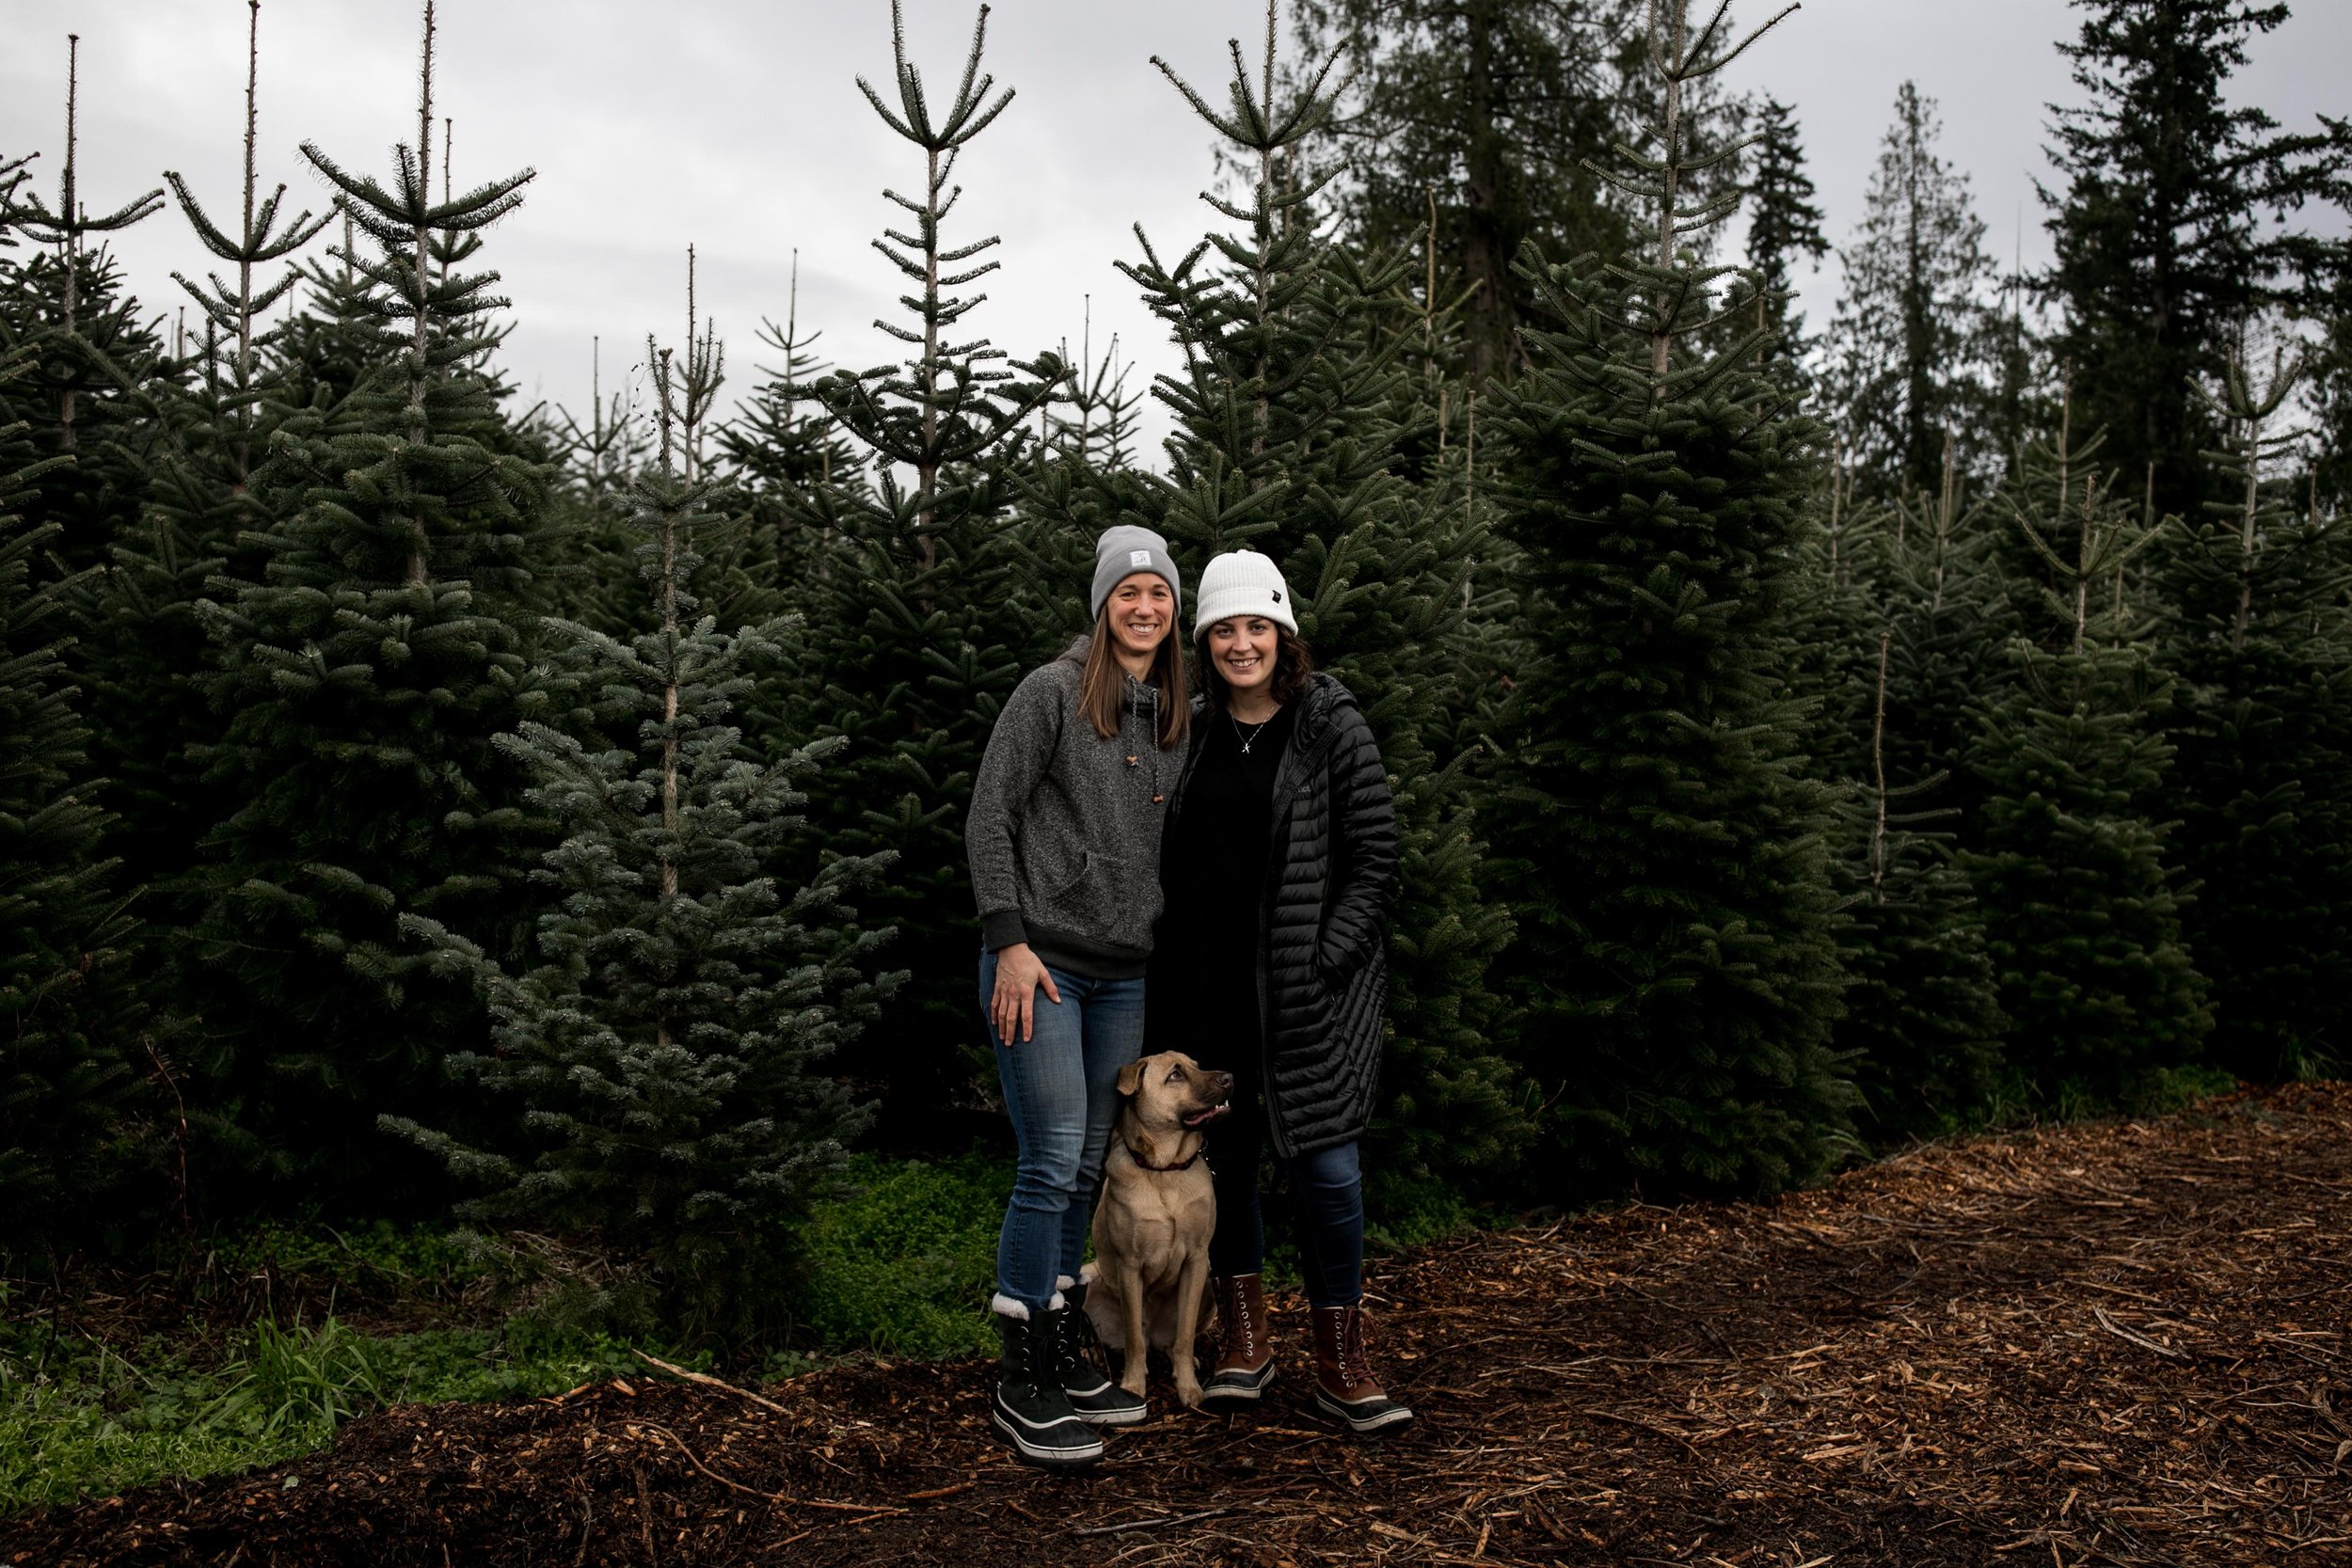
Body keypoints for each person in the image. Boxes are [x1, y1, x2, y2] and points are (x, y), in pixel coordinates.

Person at [1152, 548, 1412, 1434]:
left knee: (1327, 1171)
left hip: (1306, 999)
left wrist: (1326, 958)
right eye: (1223, 629)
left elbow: (1375, 860)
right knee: (1225, 1165)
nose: (1240, 643)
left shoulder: (1329, 723)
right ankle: (1246, 1337)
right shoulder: (1189, 730)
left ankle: (1342, 1355)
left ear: (1283, 633)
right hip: (1209, 996)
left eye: (1255, 625)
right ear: (1206, 642)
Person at [964, 526, 1189, 1469]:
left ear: (1174, 613)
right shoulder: (1050, 692)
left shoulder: (1178, 715)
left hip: (1123, 974)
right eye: (1128, 592)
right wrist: (1007, 940)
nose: (1143, 608)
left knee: (1088, 1162)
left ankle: (1059, 1338)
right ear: (1103, 604)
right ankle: (1021, 1374)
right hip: (1043, 965)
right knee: (1051, 1156)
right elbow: (990, 811)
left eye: (1159, 595)